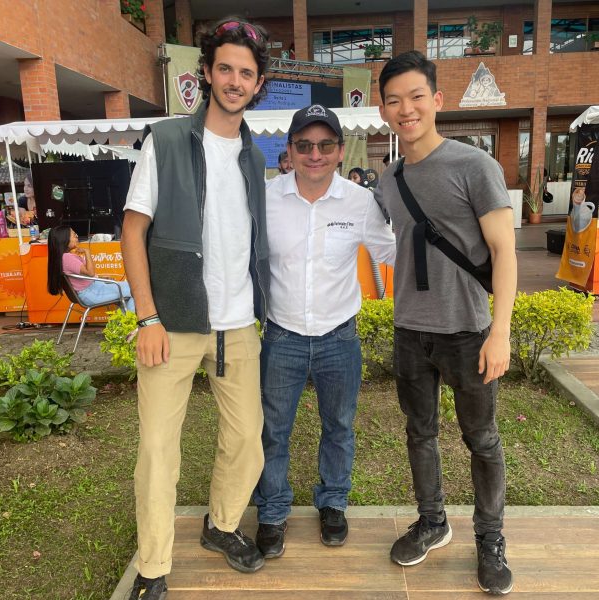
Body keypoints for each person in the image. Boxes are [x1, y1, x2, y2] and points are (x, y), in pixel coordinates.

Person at [120, 17, 271, 600]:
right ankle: (154, 566)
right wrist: (147, 317)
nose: (235, 81)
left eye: (247, 73)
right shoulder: (165, 142)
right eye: (226, 68)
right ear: (206, 73)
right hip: (173, 326)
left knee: (247, 440)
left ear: (258, 85)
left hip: (238, 325)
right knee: (159, 449)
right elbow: (134, 233)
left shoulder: (256, 159)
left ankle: (222, 524)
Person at [375, 51, 517, 595]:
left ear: (436, 101)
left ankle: (491, 538)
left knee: (481, 439)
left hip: (467, 331)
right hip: (411, 329)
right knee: (420, 433)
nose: (405, 109)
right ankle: (433, 522)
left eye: (416, 97)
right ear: (385, 110)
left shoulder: (474, 166)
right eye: (394, 100)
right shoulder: (389, 179)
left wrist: (499, 331)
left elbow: (504, 252)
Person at [253, 104, 396, 559]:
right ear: (290, 152)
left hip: (340, 337)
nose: (315, 154)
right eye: (305, 145)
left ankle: (333, 502)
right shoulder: (264, 197)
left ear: (339, 152)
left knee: (339, 426)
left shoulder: (360, 202)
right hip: (282, 337)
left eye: (325, 145)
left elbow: (393, 253)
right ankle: (273, 511)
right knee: (272, 430)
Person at [47, 225, 135, 312]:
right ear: (64, 239)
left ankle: (123, 324)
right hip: (91, 293)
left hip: (93, 289)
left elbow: (85, 277)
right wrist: (87, 252)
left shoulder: (63, 257)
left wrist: (100, 278)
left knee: (132, 289)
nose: (77, 236)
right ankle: (127, 324)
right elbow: (90, 273)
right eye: (74, 235)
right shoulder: (67, 258)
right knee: (134, 290)